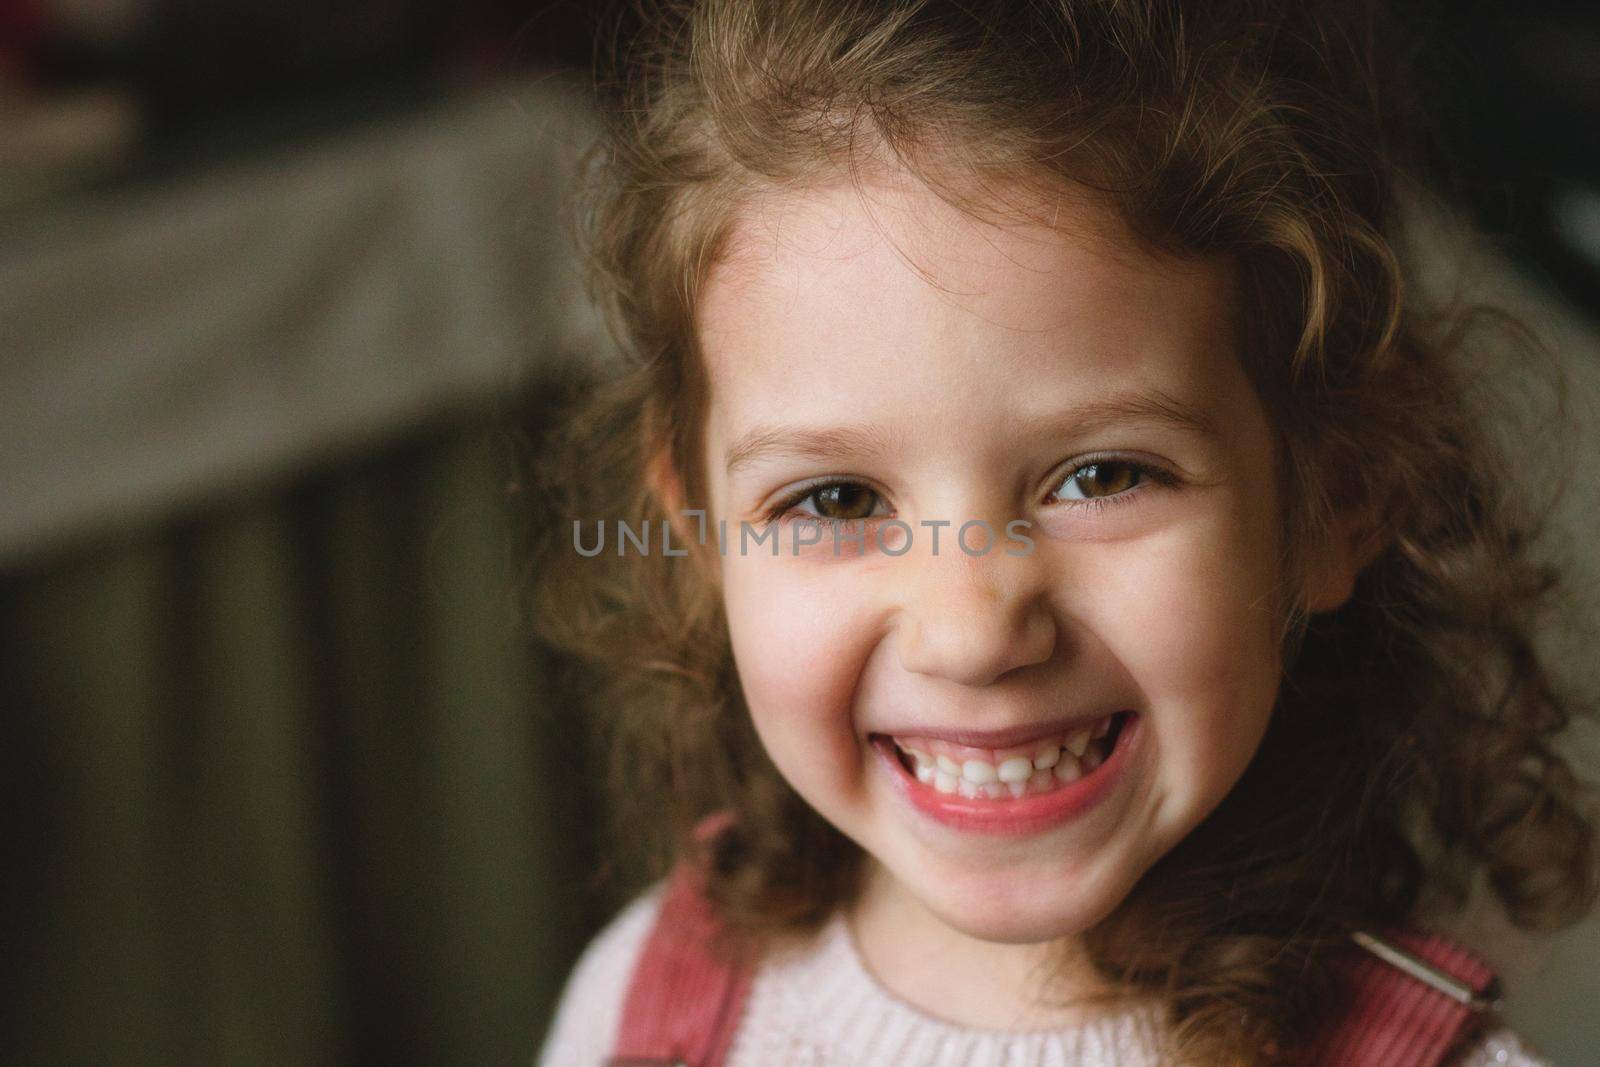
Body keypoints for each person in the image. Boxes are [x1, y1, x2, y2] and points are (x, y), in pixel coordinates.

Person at [529, 1, 1599, 1063]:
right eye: (835, 499)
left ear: (1337, 498)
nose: (974, 631)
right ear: (705, 537)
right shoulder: (638, 1000)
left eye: (1102, 475)